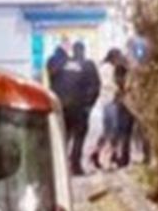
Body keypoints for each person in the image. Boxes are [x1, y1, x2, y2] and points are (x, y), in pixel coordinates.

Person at [49, 40, 100, 176]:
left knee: (63, 136)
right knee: (79, 134)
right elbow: (96, 87)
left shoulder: (62, 64)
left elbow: (53, 81)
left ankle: (59, 167)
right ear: (83, 51)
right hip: (78, 106)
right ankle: (75, 166)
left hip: (60, 105)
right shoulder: (88, 65)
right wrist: (89, 105)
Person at [104, 48, 136, 168]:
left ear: (114, 58)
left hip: (125, 102)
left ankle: (121, 158)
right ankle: (123, 157)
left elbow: (121, 85)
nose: (111, 64)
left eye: (111, 61)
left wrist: (118, 93)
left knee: (122, 131)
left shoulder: (120, 67)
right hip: (131, 102)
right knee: (126, 131)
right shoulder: (129, 64)